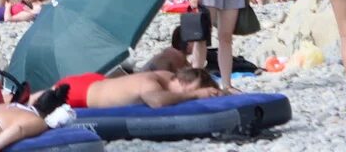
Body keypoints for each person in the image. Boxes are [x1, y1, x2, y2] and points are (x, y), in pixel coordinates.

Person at [48, 68, 218, 109]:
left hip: (96, 81)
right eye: (190, 90)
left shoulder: (168, 75)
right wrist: (195, 94)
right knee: (40, 103)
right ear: (182, 83)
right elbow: (156, 102)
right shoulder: (150, 82)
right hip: (79, 93)